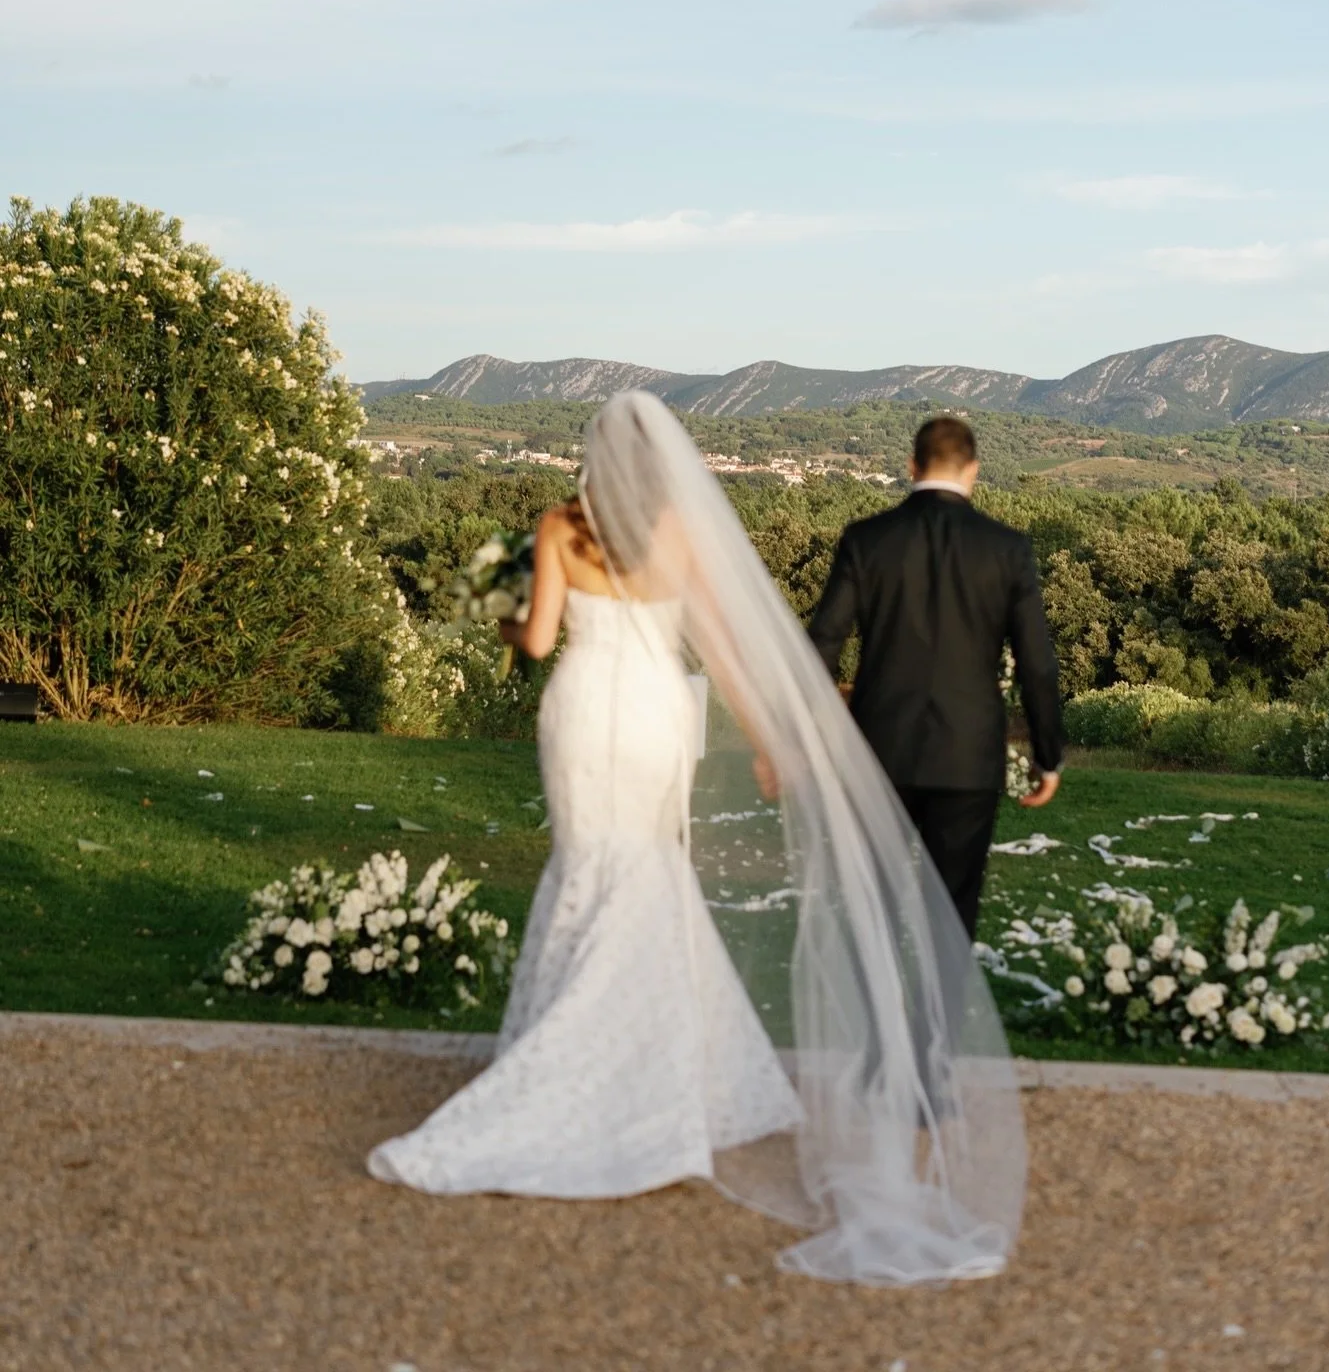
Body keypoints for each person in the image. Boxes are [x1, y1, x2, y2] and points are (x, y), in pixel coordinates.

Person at [369, 392, 1026, 1287]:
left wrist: (493, 591)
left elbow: (534, 640)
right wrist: (768, 741)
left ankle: (583, 1056)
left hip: (583, 705)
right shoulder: (681, 531)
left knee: (592, 867)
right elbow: (723, 651)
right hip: (653, 718)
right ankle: (652, 1070)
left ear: (596, 457)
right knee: (648, 869)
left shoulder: (560, 525)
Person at [808, 414, 1064, 942]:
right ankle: (938, 1024)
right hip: (967, 755)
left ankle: (875, 1020)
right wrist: (1047, 754)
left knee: (869, 908)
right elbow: (1036, 661)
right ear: (972, 470)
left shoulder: (866, 539)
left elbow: (823, 646)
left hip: (878, 748)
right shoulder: (1006, 548)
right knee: (952, 913)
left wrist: (800, 738)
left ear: (911, 466)